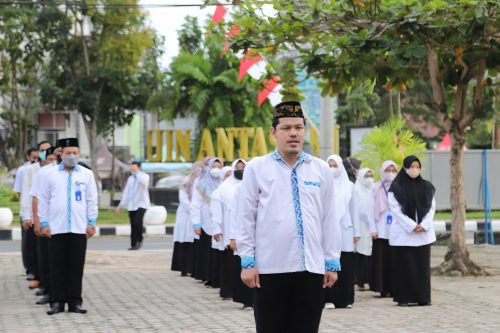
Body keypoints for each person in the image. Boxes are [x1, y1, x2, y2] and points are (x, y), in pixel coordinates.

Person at [236, 101, 341, 333]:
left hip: (311, 269)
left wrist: (331, 262)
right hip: (269, 270)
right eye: (286, 128)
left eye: (298, 127)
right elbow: (246, 217)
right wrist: (247, 261)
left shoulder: (321, 169)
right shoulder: (257, 168)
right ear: (274, 132)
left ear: (305, 131)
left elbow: (329, 219)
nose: (293, 133)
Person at [38, 138, 98, 315]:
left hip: (79, 228)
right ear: (61, 154)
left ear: (78, 154)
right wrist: (44, 223)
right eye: (68, 153)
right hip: (57, 227)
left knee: (76, 266)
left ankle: (75, 303)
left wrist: (92, 222)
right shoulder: (50, 174)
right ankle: (57, 302)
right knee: (57, 266)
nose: (72, 156)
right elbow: (43, 199)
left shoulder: (87, 175)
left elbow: (92, 200)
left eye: (75, 153)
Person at [388, 155, 436, 307]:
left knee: (421, 268)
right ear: (405, 168)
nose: (415, 169)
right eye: (412, 166)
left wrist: (424, 224)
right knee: (405, 267)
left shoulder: (427, 187)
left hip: (423, 234)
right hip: (404, 235)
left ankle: (423, 297)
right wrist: (411, 225)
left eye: (417, 166)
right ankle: (404, 297)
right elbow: (396, 210)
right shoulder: (396, 188)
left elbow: (432, 207)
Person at [211, 159, 246, 300]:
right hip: (228, 230)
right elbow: (216, 210)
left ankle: (242, 293)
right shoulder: (223, 188)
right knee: (229, 263)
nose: (240, 170)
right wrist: (216, 228)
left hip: (246, 230)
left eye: (243, 167)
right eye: (237, 168)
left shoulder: (250, 185)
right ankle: (227, 291)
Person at [324, 155, 355, 310]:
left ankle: (345, 299)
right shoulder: (322, 184)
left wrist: (356, 232)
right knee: (329, 263)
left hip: (345, 230)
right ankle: (328, 298)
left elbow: (354, 210)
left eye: (334, 165)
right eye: (329, 165)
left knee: (346, 264)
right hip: (327, 230)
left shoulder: (349, 186)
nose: (331, 168)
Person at [20, 141, 52, 292]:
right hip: (35, 215)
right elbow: (27, 193)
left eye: (47, 150)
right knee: (35, 249)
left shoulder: (55, 169)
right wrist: (27, 215)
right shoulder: (32, 169)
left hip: (52, 216)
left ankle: (48, 280)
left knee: (48, 251)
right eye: (42, 150)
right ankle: (37, 278)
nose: (45, 152)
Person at [30, 145, 57, 305]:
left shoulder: (77, 172)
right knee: (45, 258)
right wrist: (37, 220)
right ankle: (47, 289)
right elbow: (36, 198)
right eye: (54, 156)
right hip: (47, 222)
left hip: (63, 225)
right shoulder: (44, 173)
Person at [190, 157, 223, 284]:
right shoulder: (200, 183)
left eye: (219, 167)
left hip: (220, 221)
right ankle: (207, 276)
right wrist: (196, 223)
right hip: (205, 220)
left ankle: (218, 278)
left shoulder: (224, 181)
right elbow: (195, 204)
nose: (216, 170)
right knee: (207, 250)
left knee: (218, 250)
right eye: (214, 166)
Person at [370, 160, 398, 298]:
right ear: (383, 171)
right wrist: (372, 229)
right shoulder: (376, 188)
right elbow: (370, 210)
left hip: (395, 231)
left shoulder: (399, 187)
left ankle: (394, 287)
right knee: (381, 260)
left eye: (394, 171)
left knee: (394, 260)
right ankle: (382, 288)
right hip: (380, 230)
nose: (391, 173)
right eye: (388, 170)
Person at [171, 162, 202, 276]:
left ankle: (194, 269)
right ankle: (184, 268)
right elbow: (184, 200)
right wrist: (195, 209)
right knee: (185, 241)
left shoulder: (203, 183)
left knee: (195, 243)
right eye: (198, 169)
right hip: (186, 215)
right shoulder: (186, 182)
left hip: (198, 216)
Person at [13, 147, 39, 280]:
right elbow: (19, 191)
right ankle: (29, 269)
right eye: (33, 157)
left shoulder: (44, 169)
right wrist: (25, 212)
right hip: (27, 211)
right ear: (28, 157)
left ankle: (38, 269)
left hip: (40, 213)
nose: (35, 160)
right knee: (27, 242)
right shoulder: (23, 171)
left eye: (37, 157)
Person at [116, 162, 150, 250]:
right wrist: (120, 206)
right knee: (133, 225)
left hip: (142, 204)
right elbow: (126, 193)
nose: (132, 168)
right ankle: (133, 244)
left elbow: (144, 184)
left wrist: (137, 174)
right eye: (131, 166)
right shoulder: (130, 179)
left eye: (134, 166)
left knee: (137, 222)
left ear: (138, 167)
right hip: (132, 206)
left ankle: (140, 240)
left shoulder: (144, 176)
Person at [351, 168, 375, 291]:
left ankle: (370, 280)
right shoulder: (356, 190)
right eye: (366, 176)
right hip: (360, 225)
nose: (369, 179)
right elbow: (356, 208)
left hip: (373, 227)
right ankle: (359, 280)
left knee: (371, 253)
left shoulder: (375, 189)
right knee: (360, 252)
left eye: (371, 176)